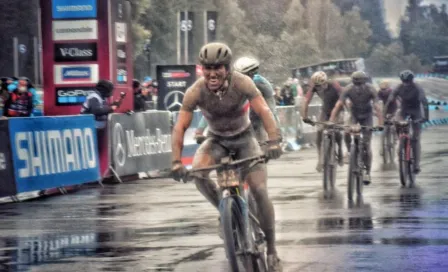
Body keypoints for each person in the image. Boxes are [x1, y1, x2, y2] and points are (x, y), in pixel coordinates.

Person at [171, 42, 283, 271]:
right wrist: (175, 161)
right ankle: (224, 211)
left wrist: (273, 141)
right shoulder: (195, 91)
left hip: (245, 138)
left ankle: (272, 250)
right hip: (216, 140)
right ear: (201, 69)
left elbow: (264, 111)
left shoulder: (243, 82)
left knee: (260, 191)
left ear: (228, 68)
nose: (212, 73)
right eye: (207, 68)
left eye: (218, 67)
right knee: (199, 174)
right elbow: (180, 128)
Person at [196, 56, 280, 143]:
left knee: (260, 139)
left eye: (249, 75)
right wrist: (199, 131)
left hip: (257, 119)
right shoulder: (230, 84)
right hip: (240, 120)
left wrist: (277, 133)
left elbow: (271, 109)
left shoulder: (263, 84)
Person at [329, 71, 384, 185]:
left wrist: (380, 123)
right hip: (354, 114)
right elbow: (338, 105)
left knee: (366, 144)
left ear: (365, 82)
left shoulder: (371, 89)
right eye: (356, 84)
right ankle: (350, 152)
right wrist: (331, 121)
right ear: (352, 82)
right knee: (346, 132)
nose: (358, 86)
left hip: (367, 116)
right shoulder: (348, 89)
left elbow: (377, 106)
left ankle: (367, 172)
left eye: (361, 84)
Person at [384, 70, 428, 174]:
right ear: (401, 81)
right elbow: (390, 100)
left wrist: (425, 118)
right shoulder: (398, 87)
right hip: (404, 109)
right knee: (397, 122)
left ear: (412, 80)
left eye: (408, 81)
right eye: (404, 81)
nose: (406, 84)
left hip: (416, 110)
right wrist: (385, 116)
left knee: (415, 138)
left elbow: (424, 102)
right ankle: (401, 142)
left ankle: (416, 164)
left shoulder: (418, 87)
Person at [302, 71, 344, 172]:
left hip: (338, 109)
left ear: (326, 82)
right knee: (319, 132)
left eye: (321, 85)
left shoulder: (334, 85)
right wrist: (304, 116)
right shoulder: (314, 87)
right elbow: (305, 101)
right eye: (317, 86)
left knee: (337, 130)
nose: (320, 88)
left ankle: (340, 150)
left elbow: (344, 98)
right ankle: (320, 158)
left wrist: (343, 116)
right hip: (326, 110)